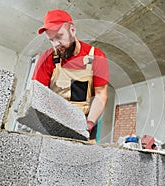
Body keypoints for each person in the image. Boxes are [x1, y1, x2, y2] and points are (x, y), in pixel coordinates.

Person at [32, 9, 110, 140]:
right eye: (51, 40)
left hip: (83, 124)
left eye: (59, 36)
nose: (56, 44)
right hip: (53, 125)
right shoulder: (47, 58)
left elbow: (101, 94)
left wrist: (89, 124)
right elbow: (39, 94)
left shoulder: (96, 56)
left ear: (72, 30)